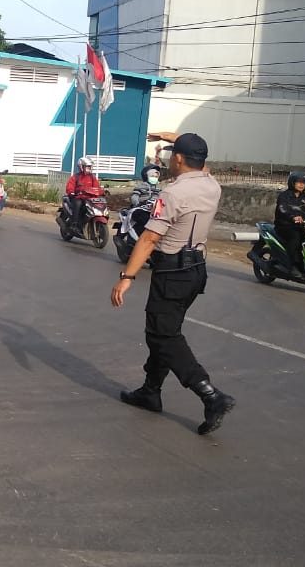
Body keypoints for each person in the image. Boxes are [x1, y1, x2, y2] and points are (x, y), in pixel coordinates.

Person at [111, 133, 235, 436]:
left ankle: (210, 395)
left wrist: (126, 278)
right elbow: (200, 166)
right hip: (196, 271)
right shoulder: (212, 186)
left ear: (178, 159)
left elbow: (150, 238)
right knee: (163, 331)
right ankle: (150, 391)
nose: (168, 160)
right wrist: (172, 137)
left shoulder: (173, 194)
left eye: (171, 155)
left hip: (172, 271)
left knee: (163, 336)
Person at [273, 172, 305, 274]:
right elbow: (282, 209)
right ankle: (287, 263)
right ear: (292, 183)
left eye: (304, 183)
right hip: (284, 226)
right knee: (295, 237)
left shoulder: (304, 198)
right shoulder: (284, 196)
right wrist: (293, 217)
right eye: (299, 182)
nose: (301, 185)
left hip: (300, 226)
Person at [65, 157, 105, 228]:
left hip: (90, 198)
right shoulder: (75, 177)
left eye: (90, 167)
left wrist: (101, 192)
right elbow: (70, 187)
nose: (89, 168)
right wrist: (71, 192)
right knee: (78, 204)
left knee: (100, 203)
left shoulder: (92, 178)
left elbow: (97, 187)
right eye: (87, 167)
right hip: (78, 197)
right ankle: (74, 223)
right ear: (81, 167)